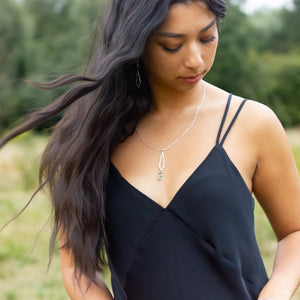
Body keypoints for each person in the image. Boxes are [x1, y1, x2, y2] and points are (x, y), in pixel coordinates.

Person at [1, 0, 300, 299]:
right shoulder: (89, 139)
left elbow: (295, 232)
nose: (195, 60)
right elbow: (78, 267)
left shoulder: (252, 124)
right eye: (172, 45)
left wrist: (276, 293)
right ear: (135, 42)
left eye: (207, 38)